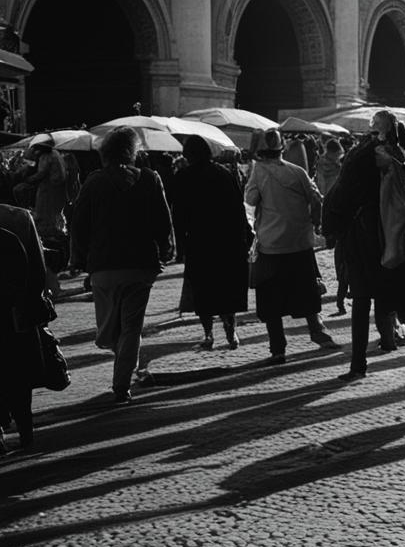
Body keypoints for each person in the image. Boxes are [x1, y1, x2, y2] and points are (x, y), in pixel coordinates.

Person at [325, 113, 405, 423]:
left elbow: (337, 201)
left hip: (367, 252)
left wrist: (337, 231)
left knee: (362, 305)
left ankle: (358, 365)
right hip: (401, 255)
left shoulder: (359, 160)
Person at [68, 127, 175, 404]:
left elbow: (79, 224)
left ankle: (121, 381)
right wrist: (165, 249)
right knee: (130, 327)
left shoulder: (94, 182)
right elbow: (163, 220)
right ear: (132, 151)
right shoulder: (150, 179)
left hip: (104, 266)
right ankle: (124, 378)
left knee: (110, 330)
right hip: (140, 265)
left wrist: (78, 258)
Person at [244, 128, 340, 365]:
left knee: (271, 298)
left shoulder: (259, 173)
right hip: (299, 242)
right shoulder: (298, 172)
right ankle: (319, 333)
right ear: (280, 150)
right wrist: (315, 224)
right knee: (306, 291)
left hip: (271, 245)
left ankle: (278, 348)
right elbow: (316, 198)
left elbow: (250, 200)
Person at [172, 136, 253, 350]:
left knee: (203, 289)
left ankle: (208, 334)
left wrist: (180, 247)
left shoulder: (183, 176)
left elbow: (178, 215)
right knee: (226, 286)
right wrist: (244, 237)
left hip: (199, 241)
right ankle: (230, 329)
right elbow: (238, 208)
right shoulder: (223, 174)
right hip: (227, 240)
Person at [0, 202, 48, 449]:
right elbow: (39, 271)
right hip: (15, 310)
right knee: (18, 372)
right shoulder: (19, 218)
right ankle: (26, 430)